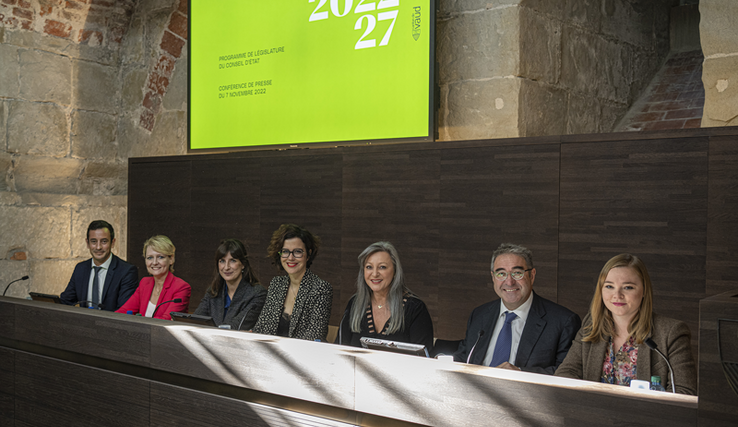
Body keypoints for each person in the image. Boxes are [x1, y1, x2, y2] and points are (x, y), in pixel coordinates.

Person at [555, 254, 697, 394]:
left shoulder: (671, 332)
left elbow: (684, 392)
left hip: (645, 416)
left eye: (628, 287)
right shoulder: (591, 325)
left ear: (644, 291)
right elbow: (566, 372)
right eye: (609, 286)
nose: (617, 295)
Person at [454, 243, 581, 374]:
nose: (509, 281)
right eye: (501, 274)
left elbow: (568, 373)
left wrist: (520, 372)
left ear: (532, 275)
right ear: (493, 277)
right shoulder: (479, 315)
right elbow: (463, 358)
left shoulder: (563, 321)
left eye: (517, 273)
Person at [336, 241, 434, 350]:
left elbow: (422, 360)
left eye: (382, 267)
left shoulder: (415, 309)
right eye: (369, 267)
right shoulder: (355, 303)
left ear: (395, 271)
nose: (374, 274)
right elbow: (339, 348)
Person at [253, 224, 332, 341]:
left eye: (298, 252)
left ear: (308, 254)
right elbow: (262, 329)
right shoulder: (276, 284)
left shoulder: (321, 288)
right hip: (272, 355)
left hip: (304, 356)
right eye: (285, 251)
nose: (290, 258)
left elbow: (315, 336)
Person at [60, 220, 138, 311]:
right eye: (93, 241)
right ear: (87, 243)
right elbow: (66, 301)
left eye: (104, 241)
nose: (98, 247)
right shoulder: (80, 268)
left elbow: (124, 310)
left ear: (112, 243)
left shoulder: (127, 271)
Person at [193, 239, 267, 330]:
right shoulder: (213, 291)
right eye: (222, 261)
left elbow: (236, 326)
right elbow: (196, 320)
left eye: (232, 260)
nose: (226, 267)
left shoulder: (257, 294)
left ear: (243, 264)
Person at [116, 235, 190, 320]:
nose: (154, 262)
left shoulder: (181, 287)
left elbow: (165, 321)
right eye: (150, 258)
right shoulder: (144, 283)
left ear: (171, 259)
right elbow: (124, 311)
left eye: (160, 257)